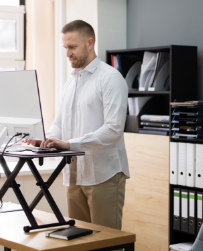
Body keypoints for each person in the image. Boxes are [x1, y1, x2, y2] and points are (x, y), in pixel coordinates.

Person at [23, 19, 129, 231]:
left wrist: (69, 144)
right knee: (78, 239)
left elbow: (114, 129)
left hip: (103, 174)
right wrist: (44, 138)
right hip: (73, 173)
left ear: (90, 43)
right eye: (65, 48)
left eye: (72, 47)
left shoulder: (110, 78)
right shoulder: (71, 82)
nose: (68, 53)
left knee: (104, 241)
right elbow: (61, 122)